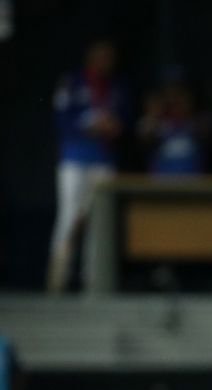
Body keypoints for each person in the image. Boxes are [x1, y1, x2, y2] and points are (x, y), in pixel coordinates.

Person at [47, 40, 127, 293]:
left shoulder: (117, 86)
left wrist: (114, 125)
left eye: (110, 56)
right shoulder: (72, 81)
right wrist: (88, 124)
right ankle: (58, 279)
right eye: (101, 55)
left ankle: (94, 282)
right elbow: (61, 119)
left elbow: (126, 119)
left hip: (103, 159)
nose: (106, 61)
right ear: (90, 57)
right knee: (70, 216)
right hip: (74, 159)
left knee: (99, 222)